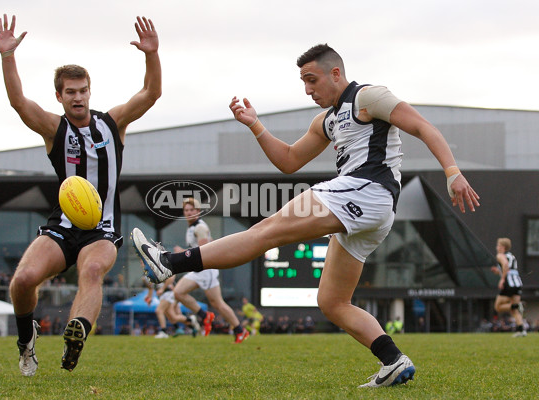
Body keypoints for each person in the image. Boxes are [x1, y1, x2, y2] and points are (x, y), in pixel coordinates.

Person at [132, 44, 479, 387]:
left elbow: (422, 126)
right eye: (303, 82)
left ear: (336, 73)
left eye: (312, 80)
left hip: (365, 191)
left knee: (266, 230)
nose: (308, 89)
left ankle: (169, 263)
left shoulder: (368, 98)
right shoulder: (327, 121)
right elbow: (289, 161)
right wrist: (256, 126)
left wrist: (452, 171)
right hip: (371, 208)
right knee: (332, 301)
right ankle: (393, 360)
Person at [0, 13, 161, 376]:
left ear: (89, 91)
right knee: (22, 280)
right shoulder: (55, 129)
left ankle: (77, 333)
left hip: (101, 228)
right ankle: (27, 341)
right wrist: (8, 56)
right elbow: (19, 102)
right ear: (60, 95)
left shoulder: (112, 123)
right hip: (62, 226)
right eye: (70, 92)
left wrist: (152, 53)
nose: (78, 97)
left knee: (95, 269)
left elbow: (151, 93)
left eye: (83, 90)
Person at [135, 197, 249, 343]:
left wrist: (182, 251)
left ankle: (239, 330)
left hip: (206, 269)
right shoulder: (193, 227)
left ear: (198, 211)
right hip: (199, 269)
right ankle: (205, 316)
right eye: (186, 210)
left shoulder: (200, 227)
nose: (189, 213)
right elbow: (209, 243)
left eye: (192, 210)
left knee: (217, 303)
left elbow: (205, 251)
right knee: (178, 292)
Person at [491, 238, 526, 337]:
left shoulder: (500, 255)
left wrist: (502, 279)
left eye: (498, 246)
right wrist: (497, 271)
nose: (496, 248)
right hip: (517, 282)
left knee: (497, 306)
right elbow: (509, 268)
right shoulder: (512, 256)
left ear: (502, 247)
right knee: (513, 310)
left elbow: (506, 265)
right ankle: (521, 330)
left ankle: (517, 305)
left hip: (508, 283)